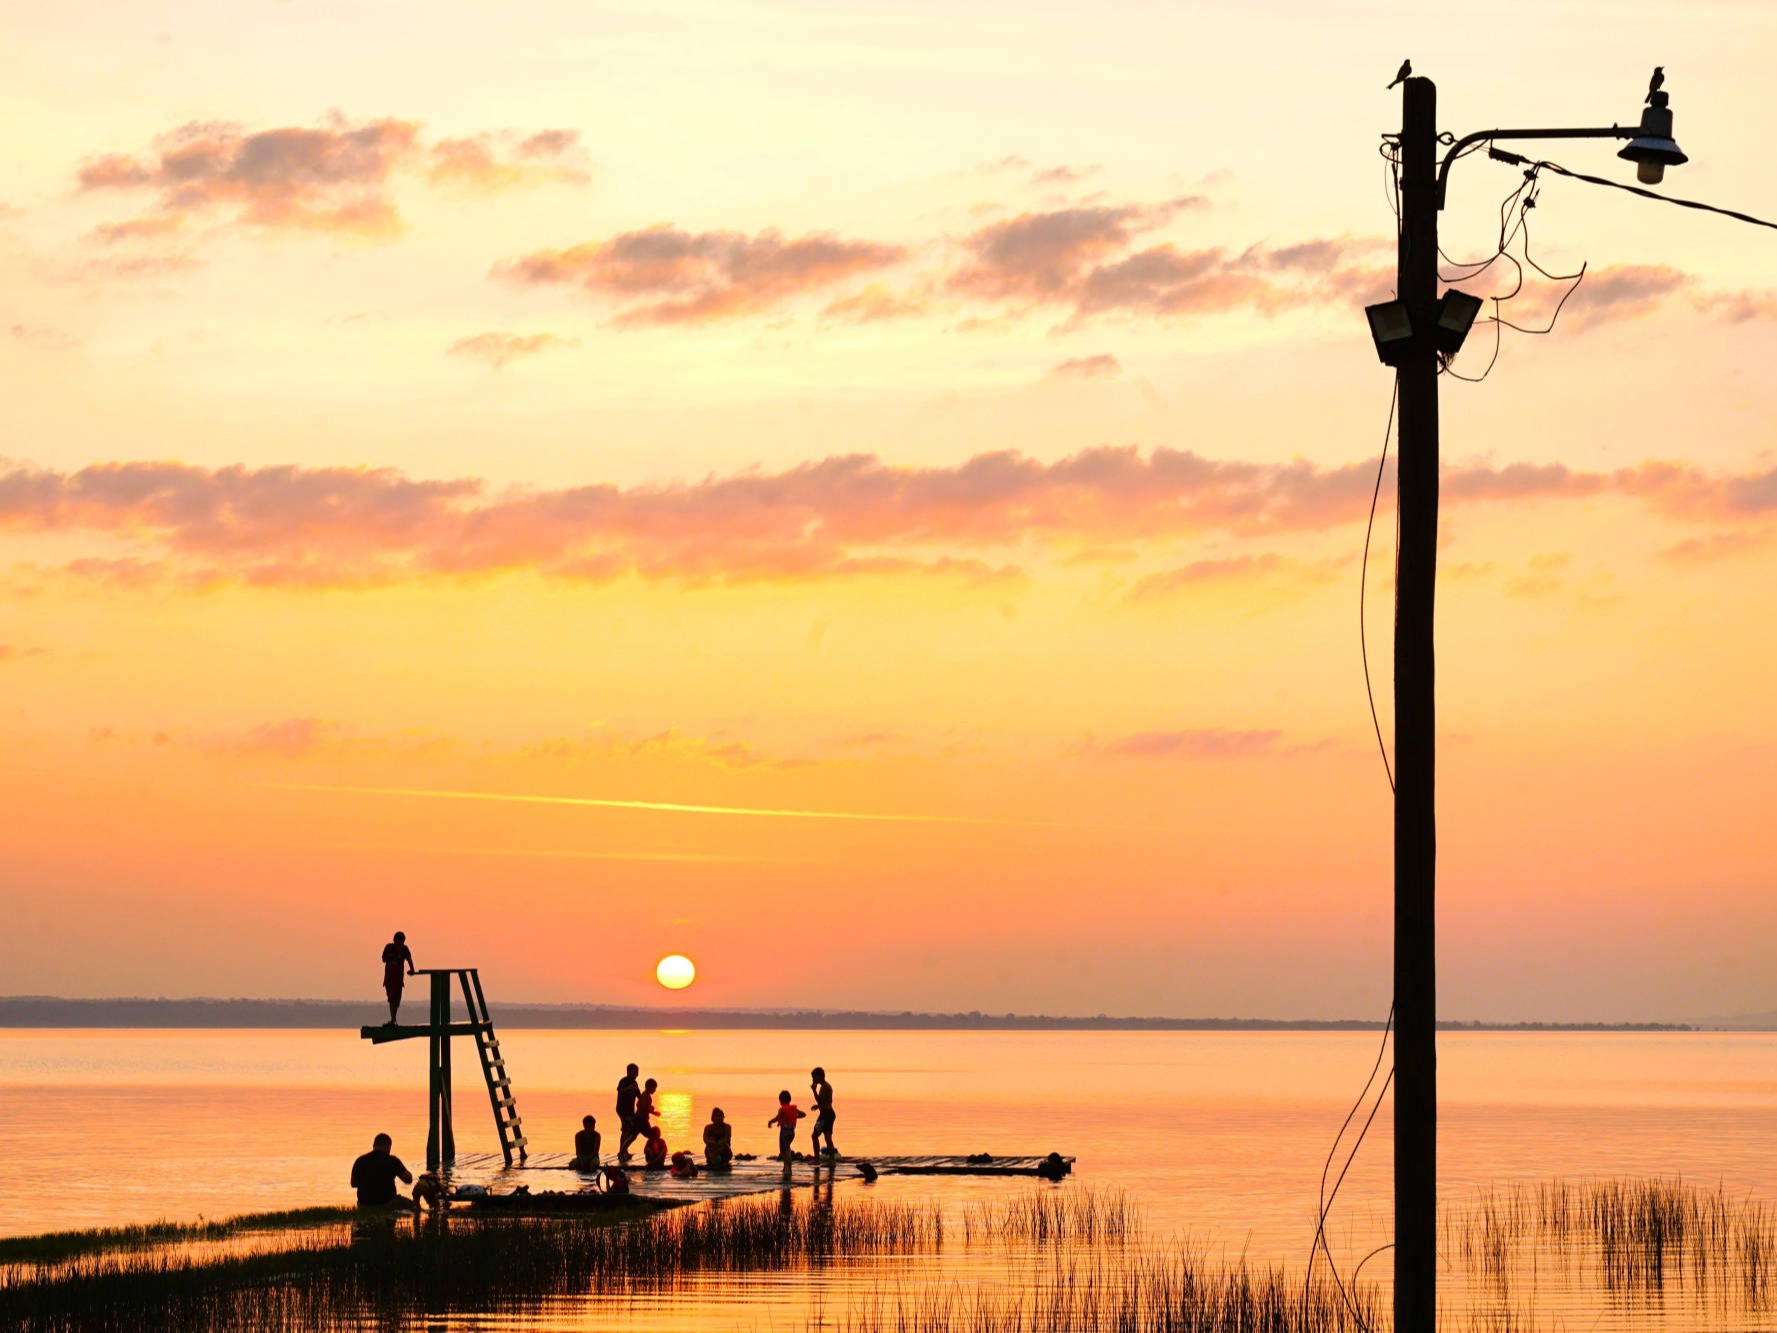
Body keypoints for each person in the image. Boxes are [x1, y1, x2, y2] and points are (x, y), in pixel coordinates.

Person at [350, 1132, 414, 1208]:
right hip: (387, 1202)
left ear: (374, 1145)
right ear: (388, 1146)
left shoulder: (360, 1160)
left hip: (364, 1203)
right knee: (414, 1206)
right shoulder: (392, 1160)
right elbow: (408, 1179)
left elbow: (353, 1183)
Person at [381, 932, 416, 1024]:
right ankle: (393, 1019)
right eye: (398, 942)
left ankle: (393, 1019)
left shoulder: (405, 949)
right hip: (389, 977)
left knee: (396, 999)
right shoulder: (389, 947)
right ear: (394, 941)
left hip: (399, 977)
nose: (400, 944)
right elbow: (383, 959)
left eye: (402, 942)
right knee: (391, 998)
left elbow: (409, 960)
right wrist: (393, 955)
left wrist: (412, 970)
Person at [809, 1067, 839, 1159]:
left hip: (825, 1115)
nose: (813, 1079)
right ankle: (832, 1159)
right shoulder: (825, 1086)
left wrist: (814, 1090)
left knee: (814, 1136)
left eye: (814, 1077)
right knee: (827, 1137)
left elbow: (820, 1100)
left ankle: (817, 1159)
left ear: (819, 1076)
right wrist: (818, 1106)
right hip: (829, 1113)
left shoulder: (825, 1087)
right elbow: (826, 1101)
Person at [767, 1090, 804, 1162]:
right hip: (792, 1132)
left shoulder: (782, 1109)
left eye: (780, 1101)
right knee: (787, 1148)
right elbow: (803, 1114)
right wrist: (795, 1116)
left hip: (784, 1132)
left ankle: (787, 1165)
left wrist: (770, 1122)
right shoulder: (794, 1109)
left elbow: (777, 1118)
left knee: (783, 1150)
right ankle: (787, 1166)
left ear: (782, 1100)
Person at [616, 1064, 643, 1159]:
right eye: (634, 1071)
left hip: (631, 1110)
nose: (636, 1074)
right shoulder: (624, 1081)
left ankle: (624, 1150)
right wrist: (628, 1088)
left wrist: (646, 1104)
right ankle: (622, 1152)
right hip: (622, 1109)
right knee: (626, 1129)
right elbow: (619, 1091)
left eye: (637, 1072)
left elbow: (639, 1096)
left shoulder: (635, 1083)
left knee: (630, 1130)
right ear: (628, 1072)